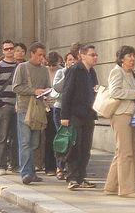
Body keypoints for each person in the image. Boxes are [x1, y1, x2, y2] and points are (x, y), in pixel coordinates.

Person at [104, 46, 135, 197]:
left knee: (126, 150)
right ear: (121, 59)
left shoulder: (132, 73)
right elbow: (114, 91)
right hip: (121, 114)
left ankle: (110, 186)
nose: (132, 59)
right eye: (129, 56)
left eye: (133, 56)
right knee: (125, 151)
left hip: (131, 115)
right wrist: (134, 94)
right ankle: (126, 189)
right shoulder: (117, 71)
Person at [60, 45, 98, 190]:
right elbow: (67, 93)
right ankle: (72, 177)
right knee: (74, 146)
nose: (95, 57)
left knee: (86, 148)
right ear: (82, 56)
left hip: (89, 115)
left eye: (95, 55)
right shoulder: (74, 70)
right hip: (75, 115)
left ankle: (81, 177)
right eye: (92, 55)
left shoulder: (92, 72)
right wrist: (64, 116)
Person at [13, 42, 51, 184]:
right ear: (32, 54)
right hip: (24, 109)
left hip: (38, 110)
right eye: (40, 54)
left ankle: (32, 172)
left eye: (43, 55)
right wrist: (34, 91)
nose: (42, 57)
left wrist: (46, 93)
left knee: (35, 143)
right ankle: (26, 173)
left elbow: (48, 86)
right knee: (25, 142)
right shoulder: (22, 67)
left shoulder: (44, 70)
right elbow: (16, 87)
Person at [0, 39, 19, 175]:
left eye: (11, 48)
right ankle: (1, 165)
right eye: (6, 49)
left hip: (17, 106)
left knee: (15, 137)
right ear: (3, 51)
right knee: (2, 137)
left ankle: (14, 164)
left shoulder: (19, 66)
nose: (9, 51)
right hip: (3, 106)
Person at [50, 51, 77, 180]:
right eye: (69, 59)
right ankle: (59, 167)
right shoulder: (61, 72)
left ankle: (71, 167)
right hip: (60, 109)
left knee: (73, 140)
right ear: (65, 61)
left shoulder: (80, 72)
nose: (71, 62)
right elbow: (57, 88)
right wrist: (67, 72)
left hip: (74, 111)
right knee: (62, 139)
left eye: (74, 59)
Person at [42, 52, 63, 176]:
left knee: (58, 137)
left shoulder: (61, 71)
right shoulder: (44, 71)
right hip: (46, 107)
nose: (51, 68)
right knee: (48, 138)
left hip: (57, 106)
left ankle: (59, 165)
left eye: (53, 65)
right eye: (48, 65)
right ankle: (49, 166)